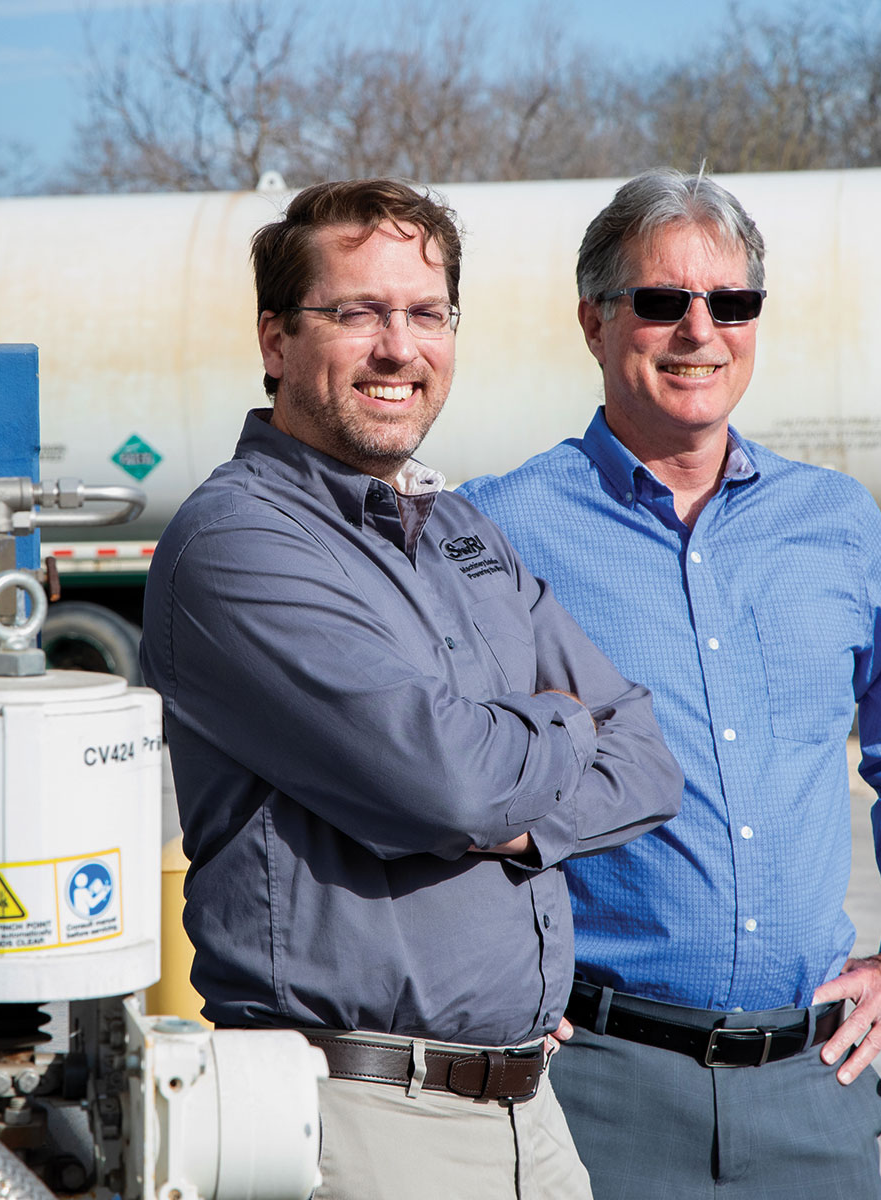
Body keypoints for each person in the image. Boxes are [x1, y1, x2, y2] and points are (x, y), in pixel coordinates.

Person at [139, 178, 684, 1200]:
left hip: (535, 1115)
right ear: (275, 340)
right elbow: (449, 782)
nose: (400, 347)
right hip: (361, 1121)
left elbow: (649, 759)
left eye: (425, 313)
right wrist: (560, 730)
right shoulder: (238, 543)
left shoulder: (460, 529)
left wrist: (519, 804)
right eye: (357, 313)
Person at [458, 167, 881, 1198]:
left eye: (732, 302)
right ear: (594, 322)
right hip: (593, 1084)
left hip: (812, 1087)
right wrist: (480, 963)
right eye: (662, 302)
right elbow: (434, 769)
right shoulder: (504, 529)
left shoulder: (835, 523)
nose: (700, 331)